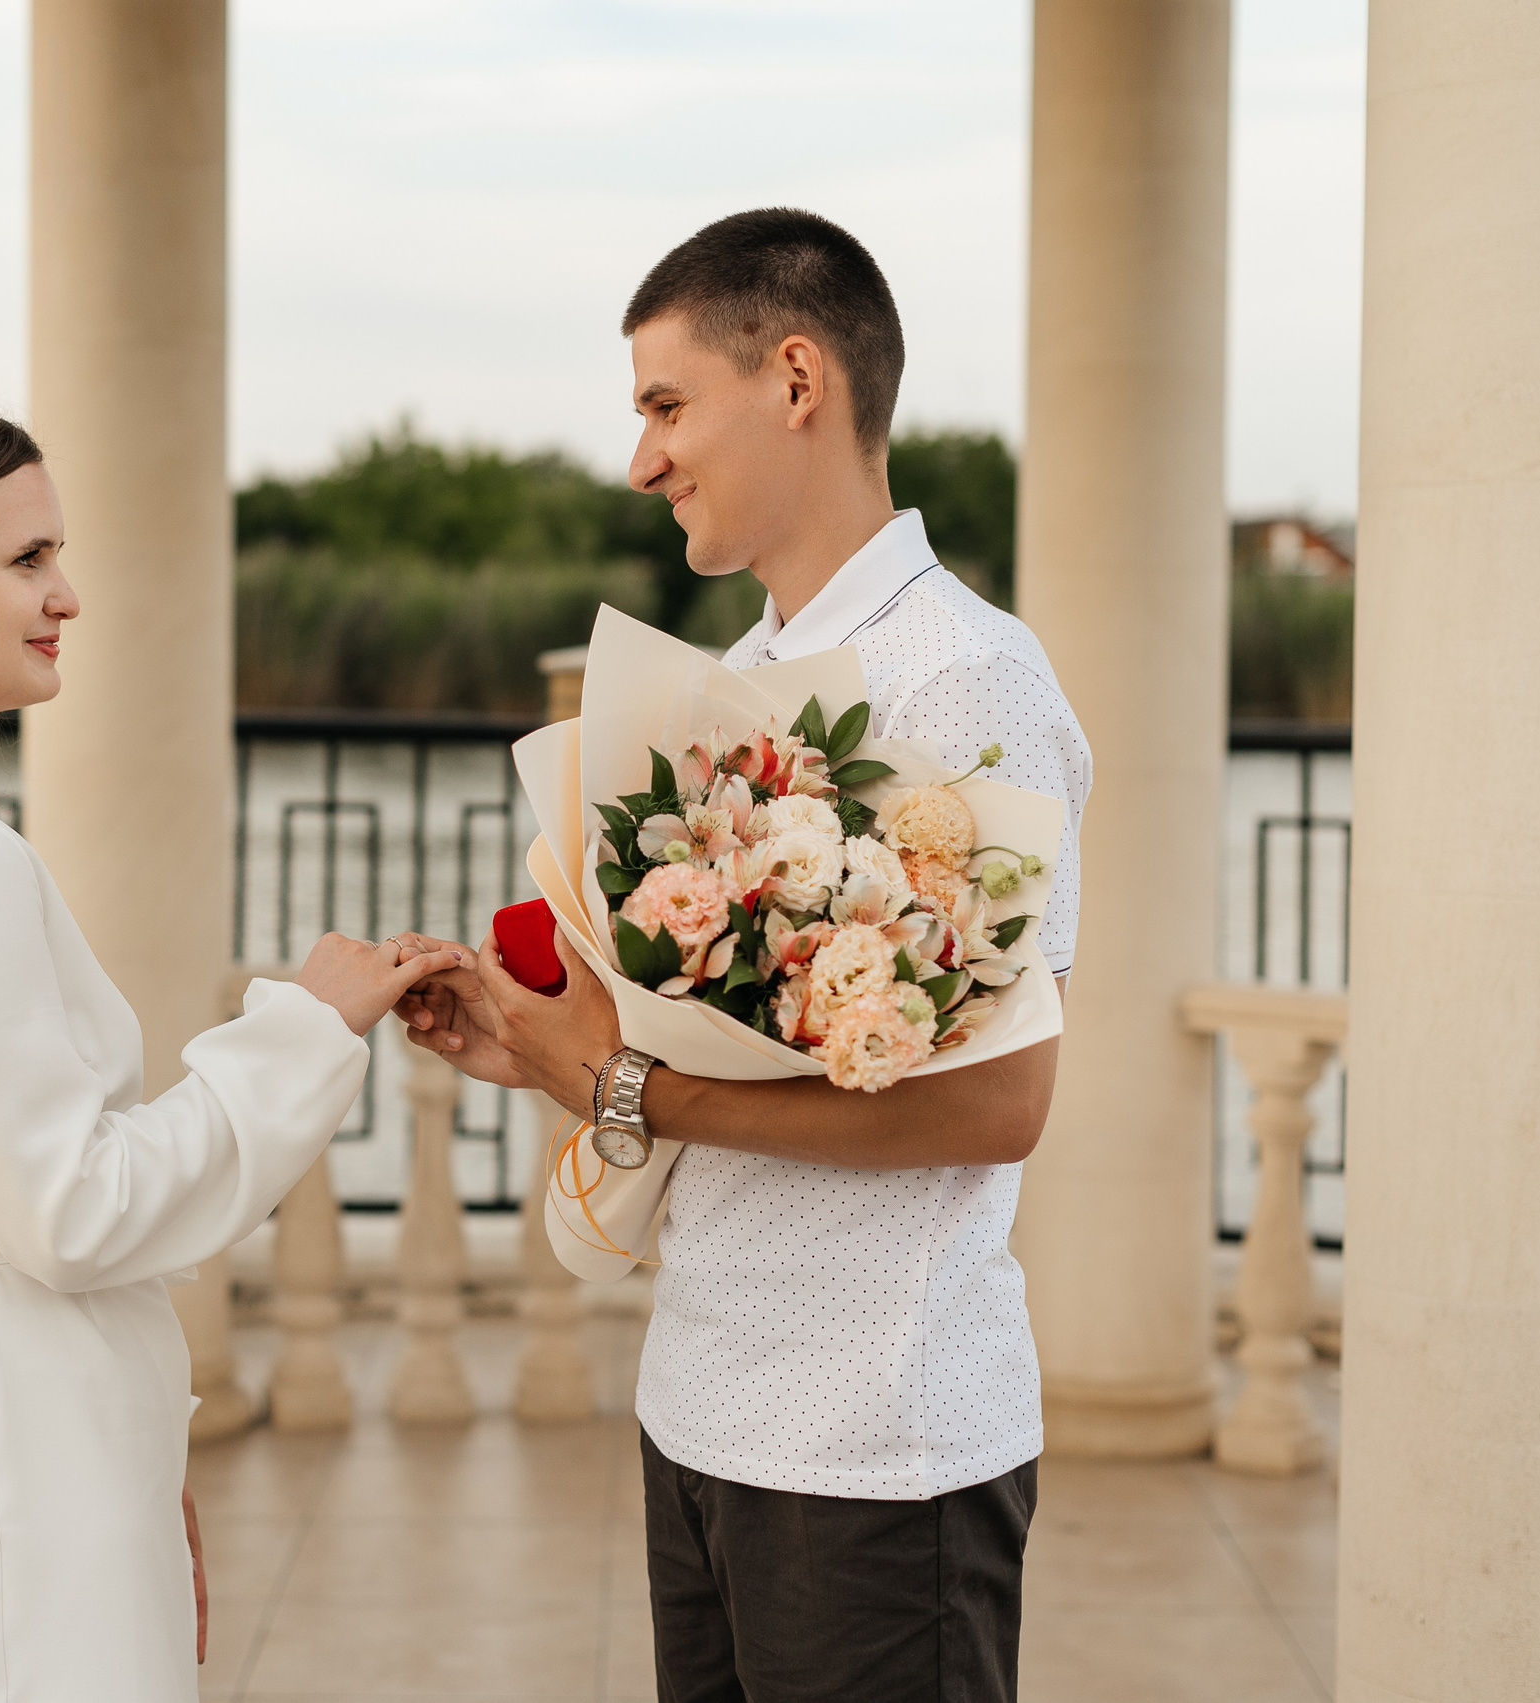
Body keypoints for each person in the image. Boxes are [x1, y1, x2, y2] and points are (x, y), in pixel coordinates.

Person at [396, 209, 1091, 1703]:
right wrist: (541, 1046)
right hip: (703, 1413)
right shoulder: (748, 682)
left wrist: (633, 1086)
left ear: (796, 380)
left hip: (877, 1452)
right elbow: (718, 1047)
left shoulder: (967, 677)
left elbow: (999, 1105)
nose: (640, 460)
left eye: (663, 404)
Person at [0, 395, 464, 1703]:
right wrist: (305, 1025)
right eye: (26, 560)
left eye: (57, 555)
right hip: (11, 1455)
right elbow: (75, 1208)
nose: (67, 595)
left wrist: (136, 1454)